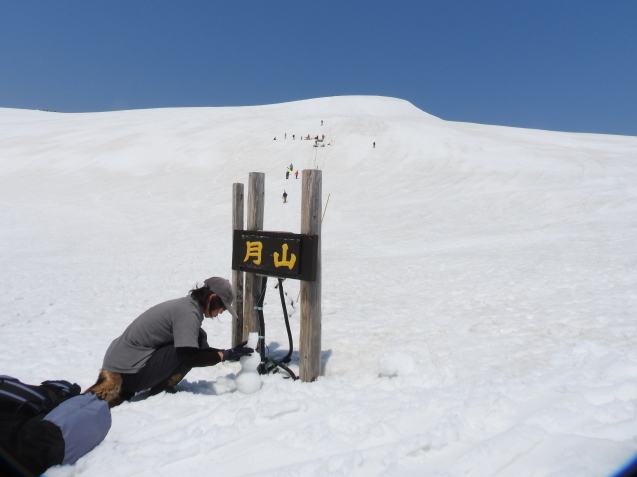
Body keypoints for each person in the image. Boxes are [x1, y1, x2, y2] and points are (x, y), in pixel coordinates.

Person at [84, 277, 253, 407]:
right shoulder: (188, 314)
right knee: (187, 349)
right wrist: (223, 355)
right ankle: (161, 392)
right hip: (125, 374)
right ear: (212, 298)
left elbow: (193, 348)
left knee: (198, 338)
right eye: (222, 308)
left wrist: (225, 353)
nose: (219, 313)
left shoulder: (187, 306)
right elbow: (189, 356)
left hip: (123, 366)